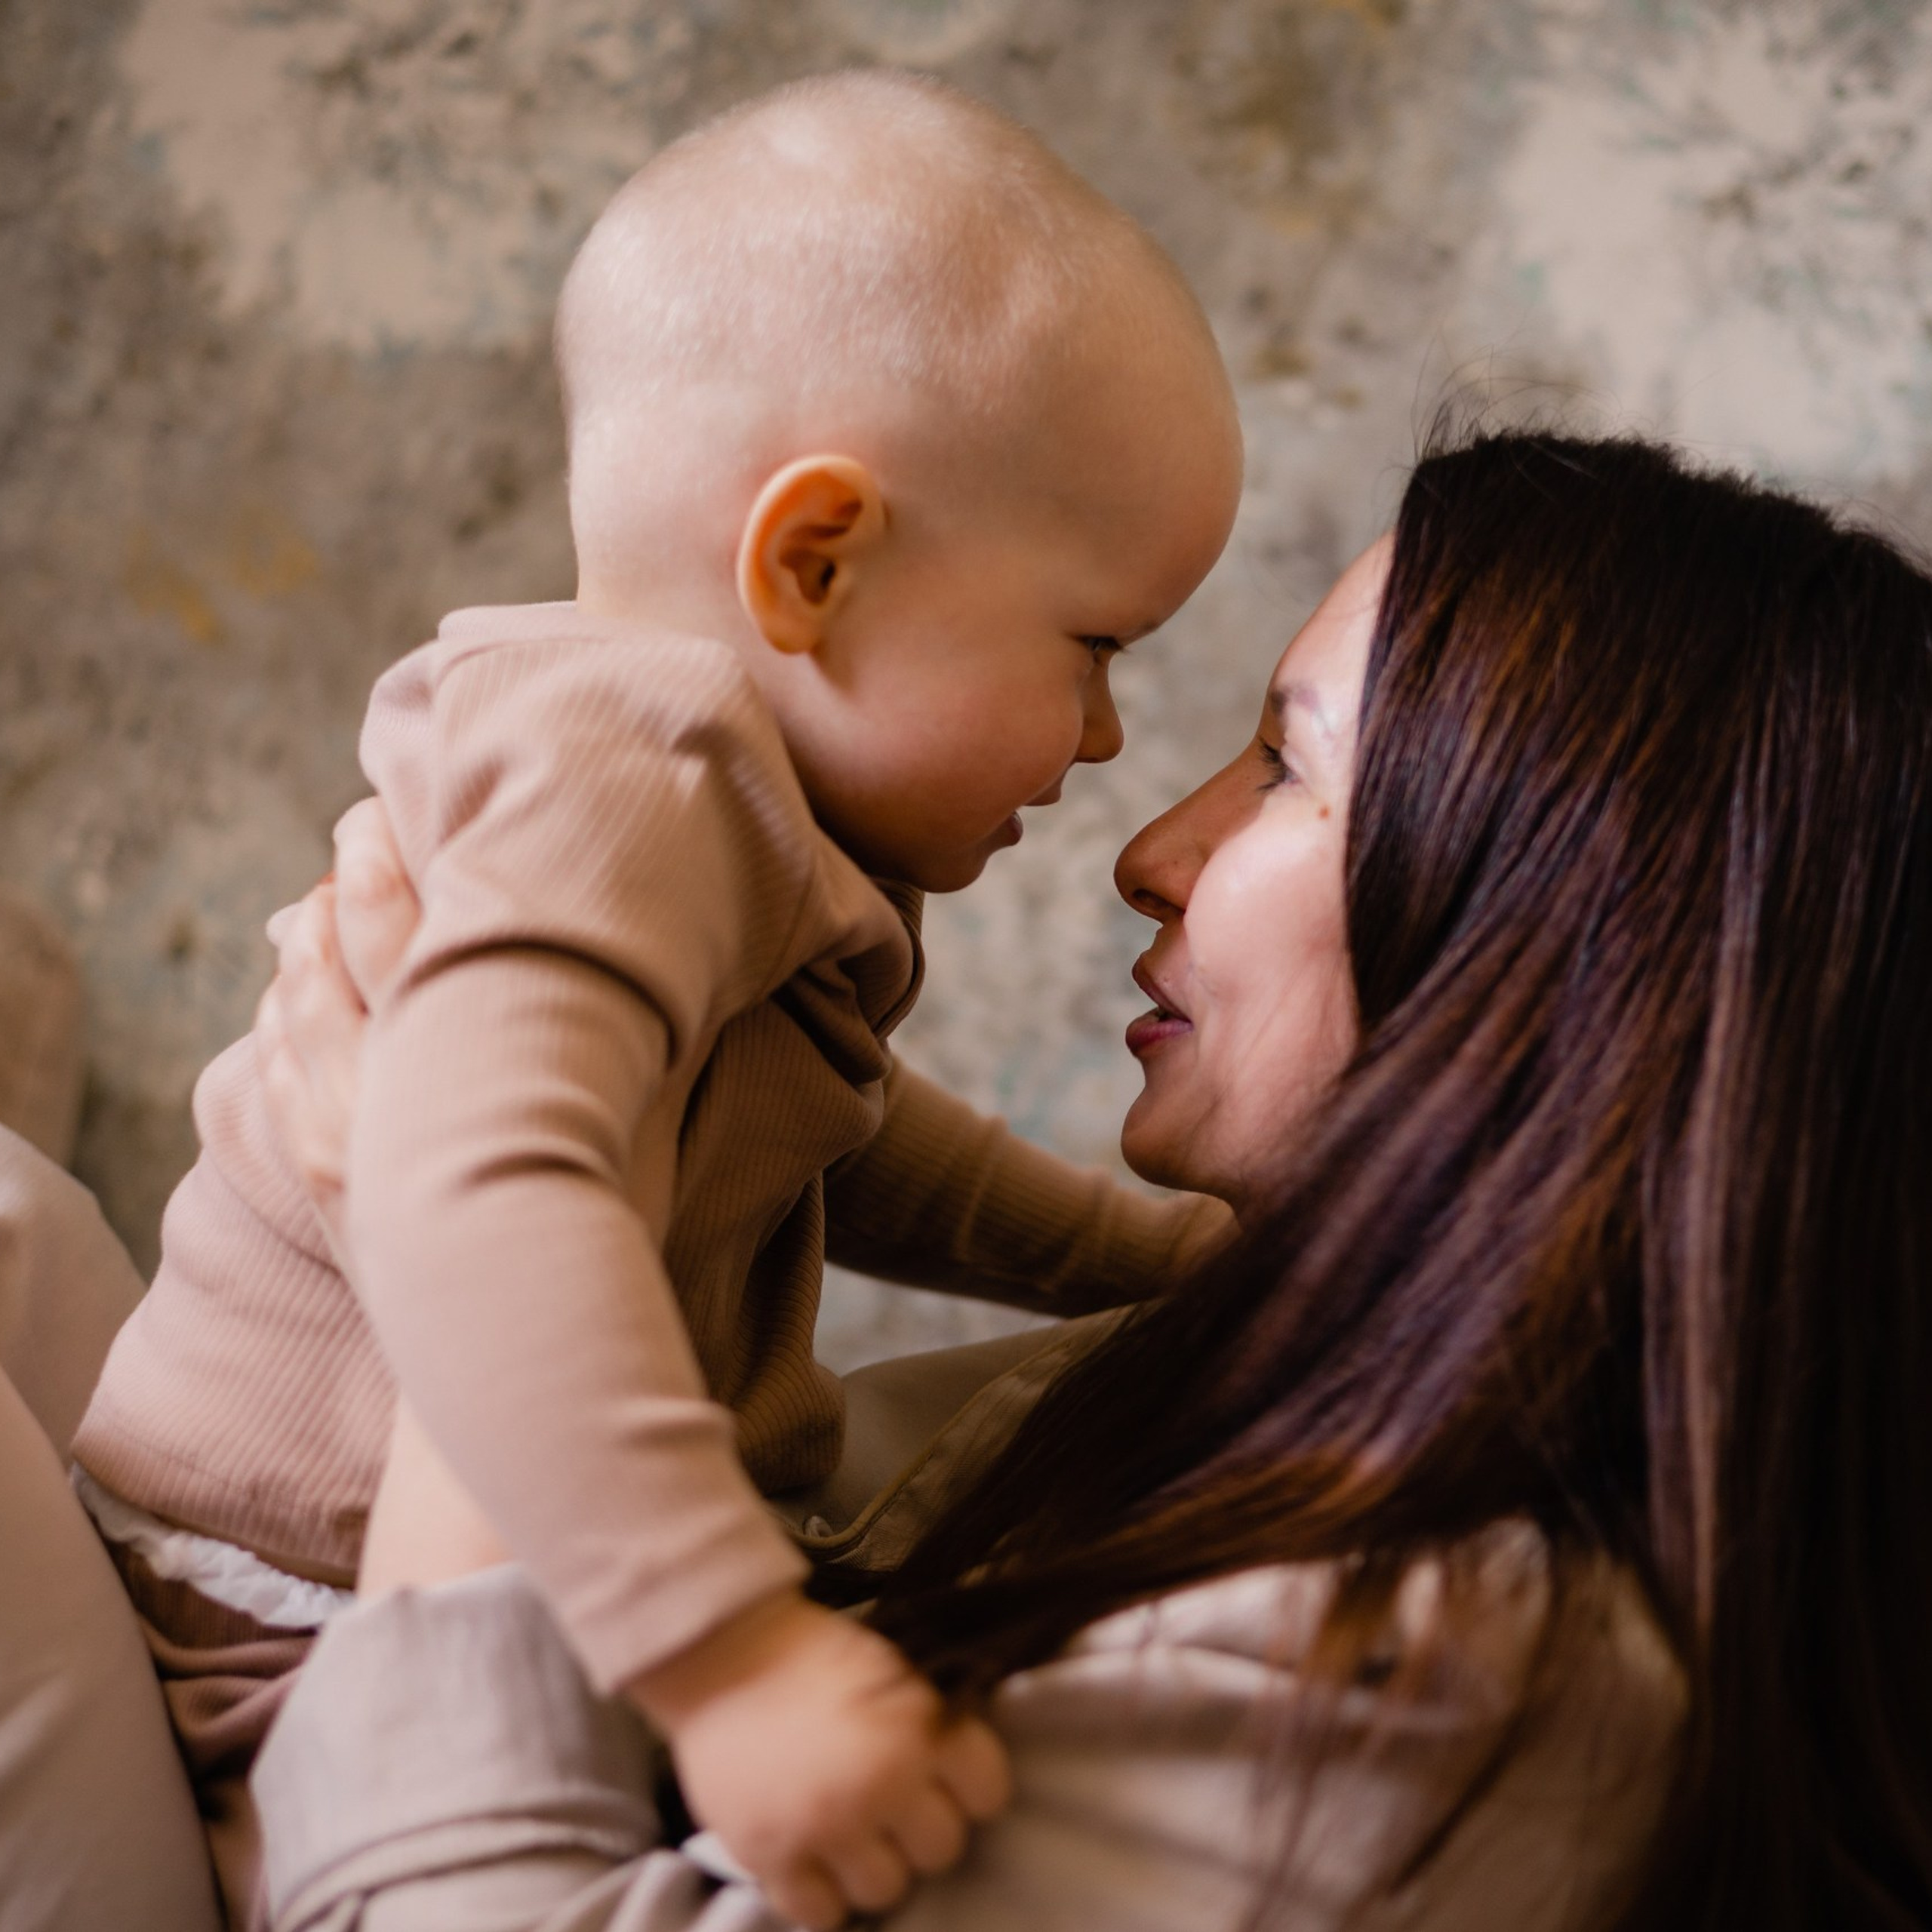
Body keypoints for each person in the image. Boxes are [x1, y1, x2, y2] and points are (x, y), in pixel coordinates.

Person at [252, 432, 1930, 1931]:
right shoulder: (1220, 1378)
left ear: (1562, 942)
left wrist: (439, 1243)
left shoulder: (1431, 1672)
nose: (1149, 850)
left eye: (1285, 767)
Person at [68, 69, 1241, 1929]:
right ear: (814, 561)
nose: (1105, 741)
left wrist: (1143, 1252)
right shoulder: (641, 758)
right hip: (285, 1612)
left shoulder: (728, 820)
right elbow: (470, 1179)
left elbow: (830, 1129)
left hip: (423, 1583)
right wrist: (726, 1652)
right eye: (1092, 646)